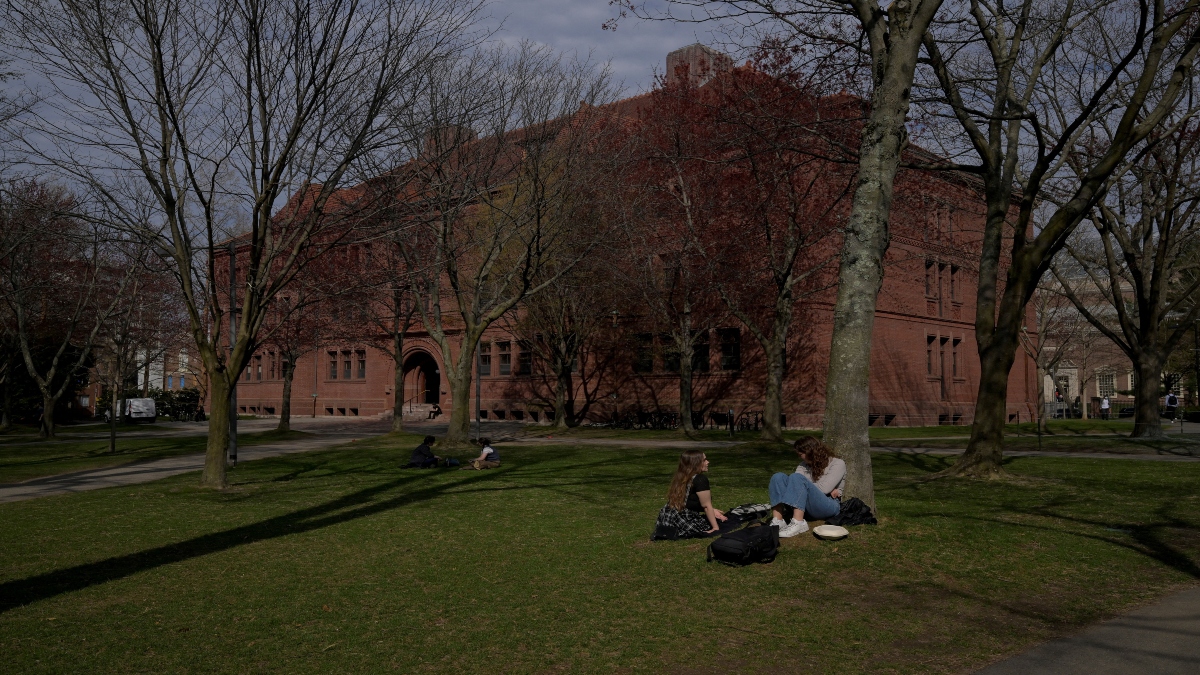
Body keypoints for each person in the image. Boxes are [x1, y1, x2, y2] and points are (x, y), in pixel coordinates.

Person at [768, 437, 846, 538]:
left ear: (810, 452)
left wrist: (803, 486)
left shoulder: (837, 463)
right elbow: (796, 486)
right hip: (805, 506)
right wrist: (801, 486)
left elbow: (824, 489)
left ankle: (799, 523)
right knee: (778, 477)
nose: (799, 457)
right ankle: (778, 521)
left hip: (828, 504)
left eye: (801, 454)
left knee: (797, 478)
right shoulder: (803, 466)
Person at [652, 449, 727, 539]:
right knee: (719, 523)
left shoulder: (681, 476)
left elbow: (689, 501)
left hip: (667, 519)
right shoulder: (700, 479)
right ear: (695, 463)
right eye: (704, 460)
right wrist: (715, 528)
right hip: (683, 521)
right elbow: (706, 506)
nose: (708, 462)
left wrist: (713, 510)